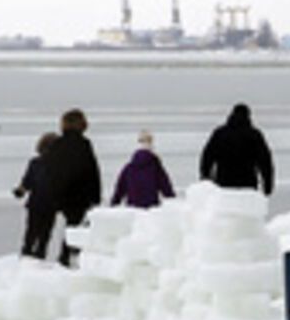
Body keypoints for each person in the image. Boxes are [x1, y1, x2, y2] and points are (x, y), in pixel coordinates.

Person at [48, 108, 101, 266]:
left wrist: (53, 192)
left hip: (62, 193)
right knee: (76, 224)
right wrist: (95, 195)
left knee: (72, 223)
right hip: (80, 192)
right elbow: (91, 171)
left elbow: (51, 170)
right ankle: (69, 255)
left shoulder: (56, 145)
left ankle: (68, 254)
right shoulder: (84, 144)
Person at [199, 103, 274, 195]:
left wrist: (205, 179)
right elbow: (265, 162)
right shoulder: (254, 135)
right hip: (248, 184)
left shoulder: (220, 134)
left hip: (223, 183)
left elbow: (207, 157)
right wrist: (268, 186)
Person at [13, 131, 57, 259]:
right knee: (44, 234)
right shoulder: (57, 165)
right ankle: (37, 256)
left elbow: (27, 182)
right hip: (48, 204)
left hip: (37, 203)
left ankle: (28, 255)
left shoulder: (35, 163)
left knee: (32, 232)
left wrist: (20, 191)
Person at [111, 129, 175, 208]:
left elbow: (119, 191)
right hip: (151, 210)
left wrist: (112, 206)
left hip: (133, 211)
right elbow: (167, 189)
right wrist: (175, 205)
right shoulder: (155, 167)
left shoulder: (128, 168)